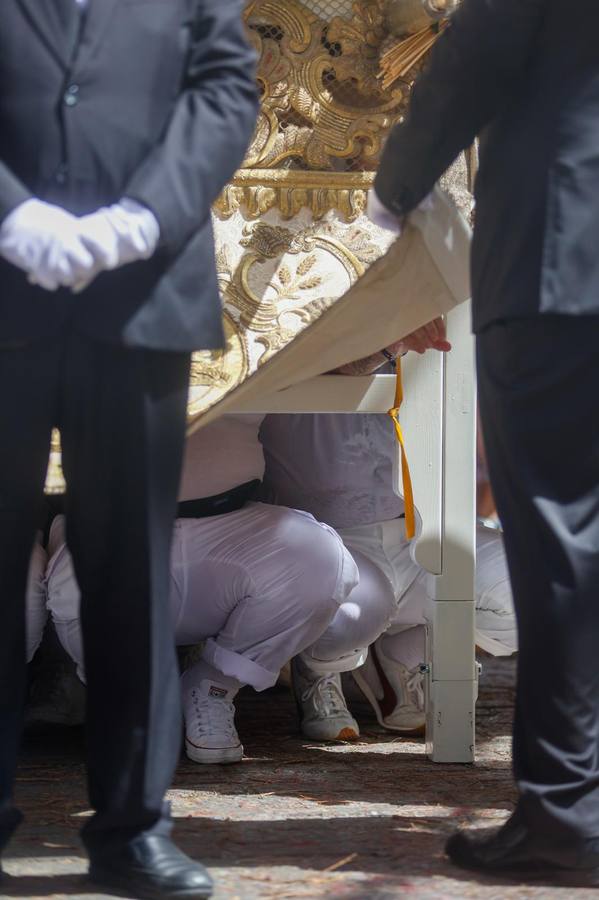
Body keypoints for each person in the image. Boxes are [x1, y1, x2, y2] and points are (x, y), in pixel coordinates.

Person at [0, 2, 258, 897]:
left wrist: (146, 215)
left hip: (142, 293)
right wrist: (10, 213)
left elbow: (223, 86)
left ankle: (132, 826)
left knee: (129, 571)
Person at [368, 0, 599, 885]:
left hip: (562, 264)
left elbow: (476, 52)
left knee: (561, 545)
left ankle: (565, 812)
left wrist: (396, 185)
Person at [36, 417, 359, 763]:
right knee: (80, 582)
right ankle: (128, 698)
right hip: (112, 523)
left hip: (229, 521)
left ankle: (211, 688)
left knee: (320, 560)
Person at [260, 340, 516, 743]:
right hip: (326, 538)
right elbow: (323, 356)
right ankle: (319, 667)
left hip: (426, 529)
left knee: (533, 593)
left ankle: (401, 652)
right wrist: (394, 336)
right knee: (351, 615)